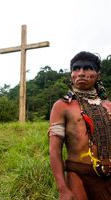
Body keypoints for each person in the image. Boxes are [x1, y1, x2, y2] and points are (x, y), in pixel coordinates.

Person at [48, 51, 111, 200]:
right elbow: (54, 151)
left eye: (87, 68)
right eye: (76, 69)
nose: (81, 73)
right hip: (78, 174)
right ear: (71, 75)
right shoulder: (62, 106)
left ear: (98, 75)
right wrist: (63, 188)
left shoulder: (108, 106)